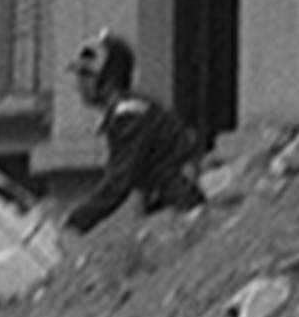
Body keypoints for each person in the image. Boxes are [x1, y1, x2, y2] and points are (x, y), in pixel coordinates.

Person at [62, 30, 206, 233]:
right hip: (168, 200)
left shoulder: (130, 117)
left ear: (108, 78)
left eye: (86, 75)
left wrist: (76, 222)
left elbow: (118, 182)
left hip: (182, 202)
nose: (79, 85)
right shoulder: (127, 114)